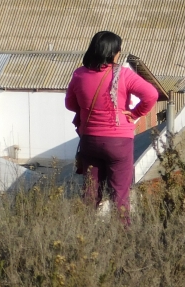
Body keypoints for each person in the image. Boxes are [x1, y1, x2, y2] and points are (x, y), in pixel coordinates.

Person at [65, 30, 160, 215]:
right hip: (119, 141)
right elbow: (151, 94)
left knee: (90, 194)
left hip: (90, 140)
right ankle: (122, 235)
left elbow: (70, 105)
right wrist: (134, 113)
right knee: (120, 194)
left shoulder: (79, 74)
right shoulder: (123, 74)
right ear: (114, 52)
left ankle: (85, 234)